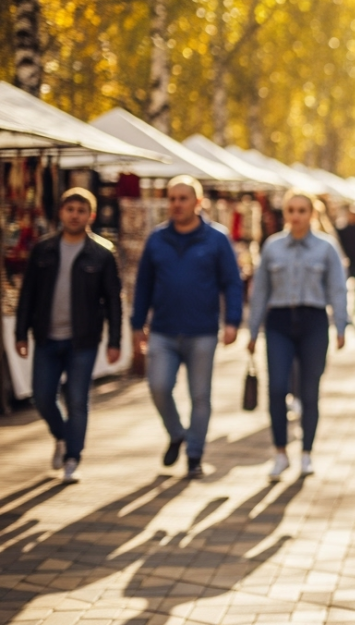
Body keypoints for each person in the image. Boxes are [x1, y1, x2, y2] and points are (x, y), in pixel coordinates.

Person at [132, 175, 243, 479]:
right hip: (163, 330)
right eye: (172, 199)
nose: (177, 204)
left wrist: (232, 321)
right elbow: (143, 285)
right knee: (158, 386)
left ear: (198, 202)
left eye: (183, 198)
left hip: (202, 332)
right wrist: (137, 324)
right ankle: (176, 432)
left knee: (200, 396)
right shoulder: (157, 239)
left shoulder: (217, 238)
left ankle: (194, 455)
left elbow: (232, 282)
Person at [14, 188, 123, 483]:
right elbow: (28, 294)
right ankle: (62, 436)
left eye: (81, 210)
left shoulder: (102, 253)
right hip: (47, 338)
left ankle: (73, 457)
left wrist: (114, 341)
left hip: (83, 341)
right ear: (61, 212)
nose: (75, 215)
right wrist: (20, 333)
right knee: (42, 396)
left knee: (77, 399)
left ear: (91, 215)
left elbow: (113, 300)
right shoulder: (43, 249)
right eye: (70, 209)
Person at [247, 189, 348, 481]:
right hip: (278, 322)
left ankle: (306, 453)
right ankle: (280, 453)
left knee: (310, 390)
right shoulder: (272, 247)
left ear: (312, 214)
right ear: (285, 214)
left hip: (313, 322)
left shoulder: (326, 247)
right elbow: (260, 291)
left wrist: (341, 325)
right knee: (277, 388)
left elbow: (337, 288)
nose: (296, 216)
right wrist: (252, 331)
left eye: (302, 210)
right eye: (291, 210)